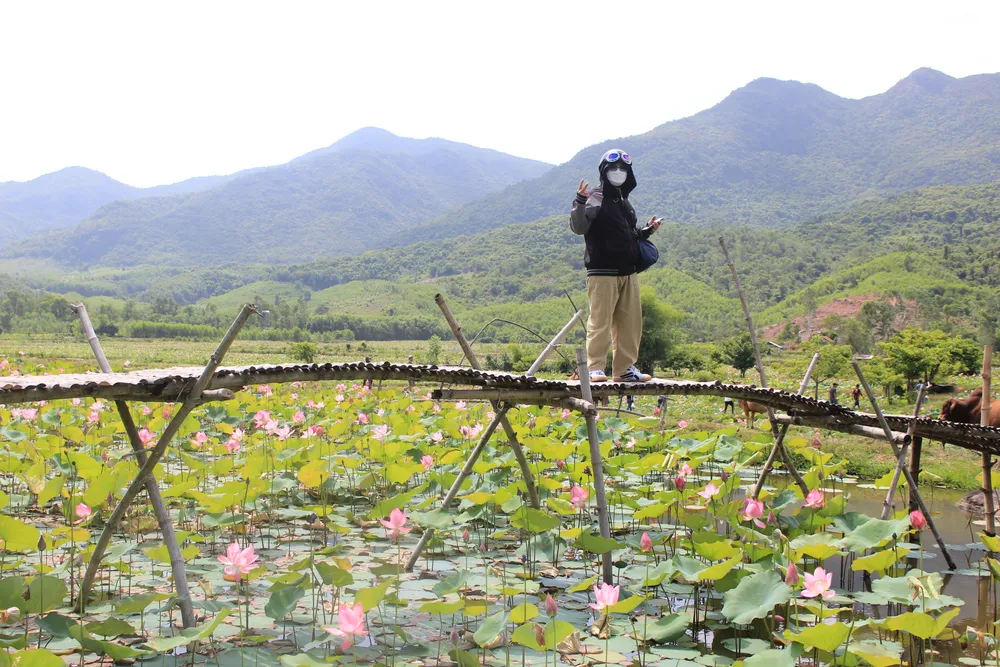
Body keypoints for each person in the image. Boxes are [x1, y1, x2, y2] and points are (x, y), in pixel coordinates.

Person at [570, 149, 661, 383]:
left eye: (622, 169)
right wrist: (579, 201)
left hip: (628, 271)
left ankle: (624, 370)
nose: (618, 172)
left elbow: (628, 235)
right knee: (600, 321)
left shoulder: (624, 202)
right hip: (602, 272)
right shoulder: (594, 198)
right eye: (613, 168)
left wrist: (647, 231)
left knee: (630, 323)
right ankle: (594, 368)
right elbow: (579, 227)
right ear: (604, 171)